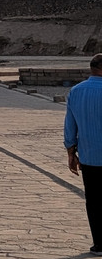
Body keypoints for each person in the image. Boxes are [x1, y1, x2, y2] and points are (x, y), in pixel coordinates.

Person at [65, 53, 102, 255]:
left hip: (89, 157)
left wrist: (71, 152)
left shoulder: (76, 91)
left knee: (94, 201)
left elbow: (70, 125)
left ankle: (99, 244)